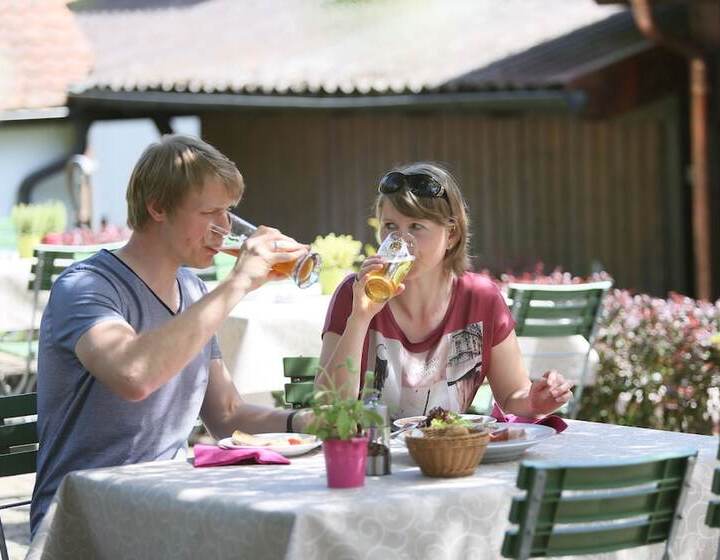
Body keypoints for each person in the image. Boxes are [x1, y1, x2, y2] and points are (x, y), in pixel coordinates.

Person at [30, 135, 312, 536]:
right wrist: (236, 285)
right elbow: (134, 376)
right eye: (210, 212)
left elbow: (226, 416)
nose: (225, 228)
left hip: (166, 502)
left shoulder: (193, 291)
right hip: (85, 517)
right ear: (158, 207)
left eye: (228, 212)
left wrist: (307, 421)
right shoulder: (87, 287)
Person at [317, 162, 573, 420]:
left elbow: (511, 396)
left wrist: (535, 401)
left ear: (451, 235)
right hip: (371, 457)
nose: (400, 242)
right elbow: (328, 409)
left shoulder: (481, 298)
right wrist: (360, 318)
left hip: (449, 456)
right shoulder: (355, 294)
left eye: (416, 227)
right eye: (391, 227)